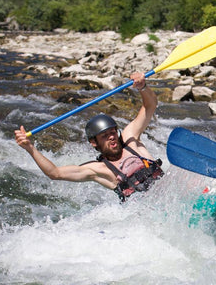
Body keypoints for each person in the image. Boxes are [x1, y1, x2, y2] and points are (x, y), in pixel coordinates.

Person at [14, 71, 164, 201]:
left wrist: (143, 87)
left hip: (169, 192)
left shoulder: (131, 140)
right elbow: (55, 173)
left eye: (112, 132)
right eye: (105, 136)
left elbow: (150, 106)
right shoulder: (98, 170)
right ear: (94, 142)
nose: (112, 137)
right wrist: (30, 148)